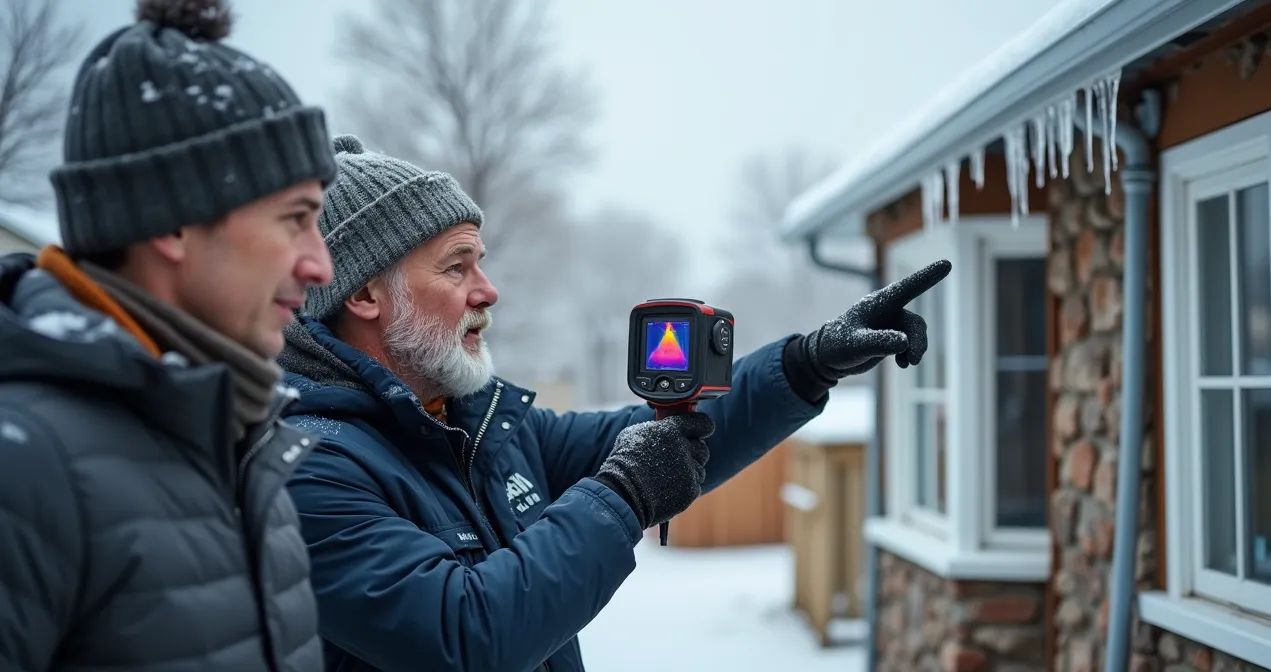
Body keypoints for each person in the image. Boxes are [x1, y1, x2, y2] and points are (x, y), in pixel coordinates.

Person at [278, 135, 951, 672]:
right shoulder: (307, 470)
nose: (488, 290)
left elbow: (664, 437)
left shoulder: (483, 428)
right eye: (457, 267)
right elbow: (467, 637)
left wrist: (805, 364)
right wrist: (623, 495)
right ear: (363, 295)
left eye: (481, 263)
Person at [0, 1, 339, 670]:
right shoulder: (25, 465)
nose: (320, 263)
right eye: (294, 219)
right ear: (173, 220)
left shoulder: (242, 438)